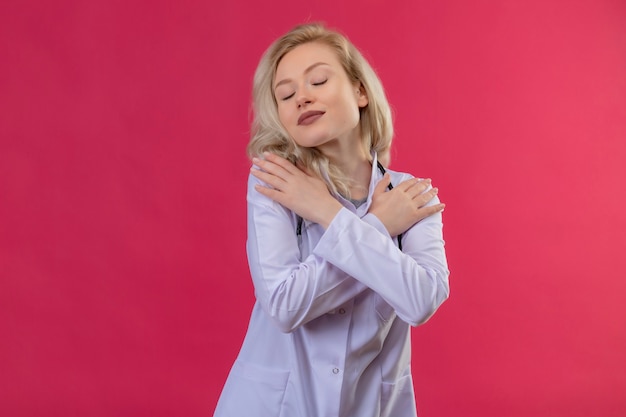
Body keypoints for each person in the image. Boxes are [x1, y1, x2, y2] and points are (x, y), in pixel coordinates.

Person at [214, 23, 450, 417]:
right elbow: (285, 305)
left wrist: (326, 211)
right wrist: (375, 226)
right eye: (286, 95)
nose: (302, 98)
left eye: (318, 80)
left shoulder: (410, 196)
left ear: (360, 91)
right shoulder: (275, 185)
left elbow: (422, 299)